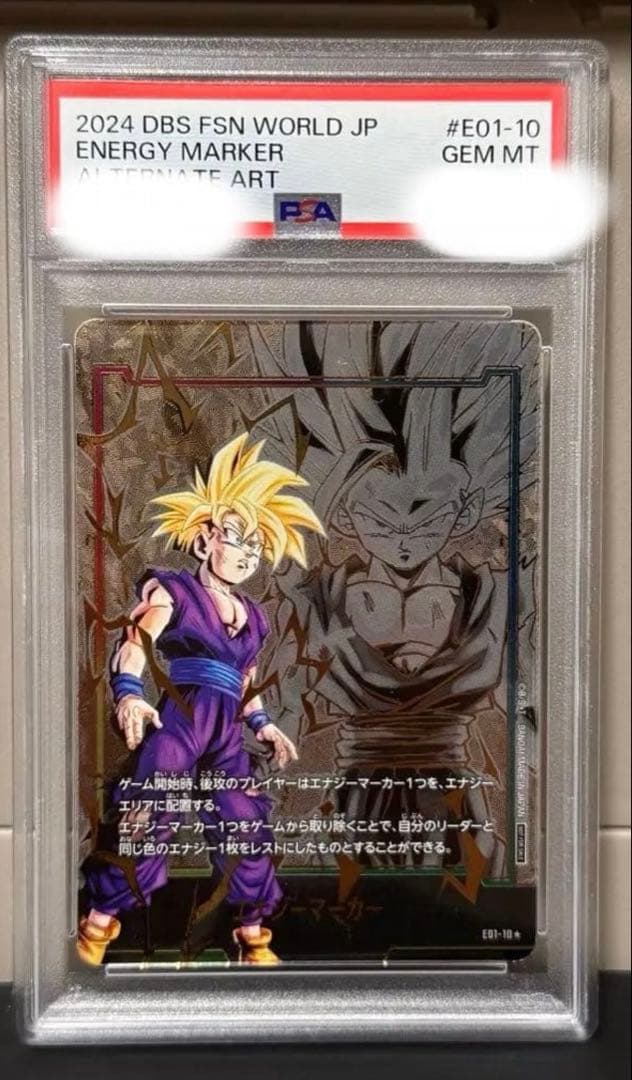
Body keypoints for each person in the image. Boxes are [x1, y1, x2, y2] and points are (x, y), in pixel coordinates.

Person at [77, 432, 325, 966]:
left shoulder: (254, 616)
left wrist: (262, 723)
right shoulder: (174, 590)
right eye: (237, 539)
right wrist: (129, 693)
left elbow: (246, 679)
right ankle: (94, 934)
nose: (247, 555)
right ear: (207, 538)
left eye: (257, 547)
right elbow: (136, 641)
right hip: (181, 721)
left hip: (227, 735)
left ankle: (253, 938)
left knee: (245, 823)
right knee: (147, 814)